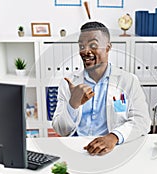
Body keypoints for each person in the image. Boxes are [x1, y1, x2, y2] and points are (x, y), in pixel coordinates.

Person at [52, 21, 151, 156]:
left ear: (108, 47)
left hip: (112, 149)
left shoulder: (128, 81)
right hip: (77, 149)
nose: (85, 51)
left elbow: (142, 121)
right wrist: (73, 104)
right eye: (81, 46)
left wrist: (113, 137)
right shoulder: (68, 83)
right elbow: (61, 129)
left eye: (93, 45)